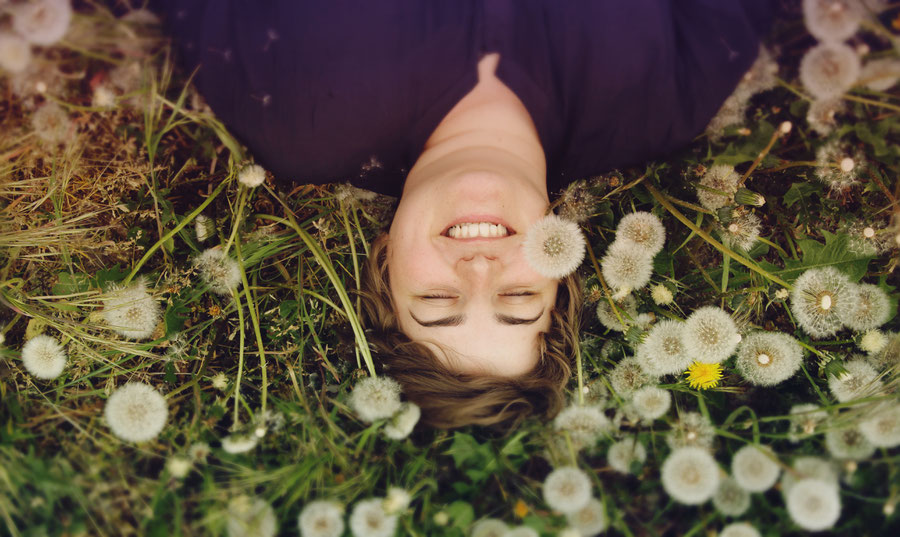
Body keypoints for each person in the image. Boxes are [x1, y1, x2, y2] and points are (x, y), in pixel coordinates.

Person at [152, 0, 774, 428]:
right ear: (565, 276)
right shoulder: (660, 106)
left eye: (438, 302)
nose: (478, 268)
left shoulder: (294, 121)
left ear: (385, 266)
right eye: (518, 298)